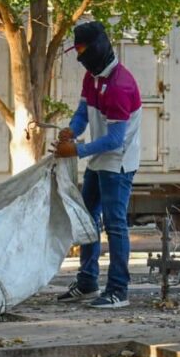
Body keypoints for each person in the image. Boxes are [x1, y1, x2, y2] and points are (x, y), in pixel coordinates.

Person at [53, 21, 142, 308]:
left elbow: (115, 139)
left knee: (115, 225)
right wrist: (72, 131)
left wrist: (76, 150)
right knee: (87, 216)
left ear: (97, 48)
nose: (79, 56)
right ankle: (88, 282)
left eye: (82, 49)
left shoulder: (119, 86)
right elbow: (82, 113)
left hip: (118, 163)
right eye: (76, 50)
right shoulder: (92, 77)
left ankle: (118, 290)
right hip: (97, 158)